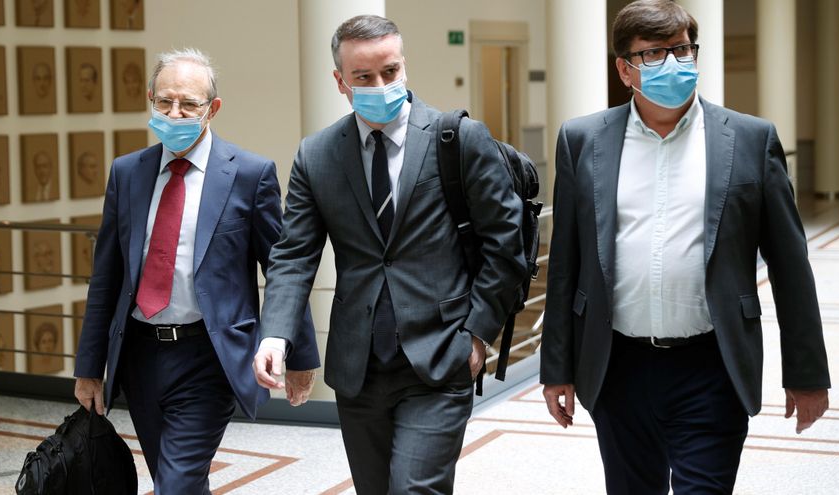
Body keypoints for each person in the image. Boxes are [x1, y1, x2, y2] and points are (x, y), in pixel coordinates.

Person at [540, 1, 831, 494]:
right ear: (624, 69)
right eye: (654, 54)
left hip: (712, 365)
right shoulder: (582, 140)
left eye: (681, 49)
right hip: (618, 367)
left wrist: (807, 373)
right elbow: (567, 264)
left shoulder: (749, 139)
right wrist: (557, 369)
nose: (673, 63)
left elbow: (790, 264)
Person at [255, 14, 526, 494]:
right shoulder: (316, 156)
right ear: (340, 82)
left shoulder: (457, 139)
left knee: (415, 489)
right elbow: (294, 254)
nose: (381, 85)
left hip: (441, 356)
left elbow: (504, 245)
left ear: (404, 66)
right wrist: (275, 334)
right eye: (364, 77)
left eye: (391, 71)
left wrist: (478, 334)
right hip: (359, 367)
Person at [73, 48, 320, 494]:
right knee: (179, 481)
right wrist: (89, 366)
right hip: (140, 356)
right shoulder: (127, 173)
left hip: (210, 356)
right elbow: (106, 276)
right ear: (150, 98)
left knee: (176, 485)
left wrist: (299, 355)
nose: (174, 113)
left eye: (188, 104)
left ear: (213, 109)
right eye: (164, 102)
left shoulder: (249, 173)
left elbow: (283, 267)